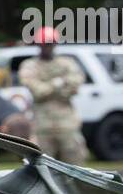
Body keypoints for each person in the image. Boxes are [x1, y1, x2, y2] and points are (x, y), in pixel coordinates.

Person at [17, 26, 87, 164]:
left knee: (75, 166)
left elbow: (75, 85)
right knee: (44, 166)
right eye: (44, 44)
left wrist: (49, 86)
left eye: (50, 44)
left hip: (67, 124)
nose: (47, 47)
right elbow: (37, 91)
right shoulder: (29, 65)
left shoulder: (67, 63)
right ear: (38, 44)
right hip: (42, 126)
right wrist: (59, 82)